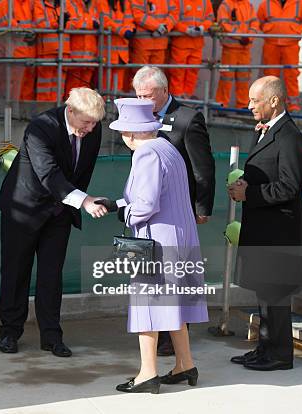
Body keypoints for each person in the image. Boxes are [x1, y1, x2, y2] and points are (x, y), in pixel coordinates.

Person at [0, 87, 108, 357]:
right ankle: (10, 332)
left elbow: (83, 171)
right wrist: (84, 201)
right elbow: (48, 174)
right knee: (15, 273)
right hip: (23, 210)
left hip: (59, 212)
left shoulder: (93, 129)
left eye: (95, 123)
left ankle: (51, 336)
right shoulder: (41, 127)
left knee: (51, 276)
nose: (90, 129)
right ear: (70, 111)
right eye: (86, 122)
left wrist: (71, 204)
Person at [108, 98, 208, 394]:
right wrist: (121, 204)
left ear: (129, 133)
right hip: (180, 236)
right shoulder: (167, 147)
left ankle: (147, 373)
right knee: (173, 305)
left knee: (149, 306)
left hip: (157, 241)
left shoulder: (146, 153)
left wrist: (123, 212)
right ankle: (185, 364)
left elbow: (146, 204)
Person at [132, 66, 215, 356]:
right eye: (138, 95)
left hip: (179, 212)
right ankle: (159, 331)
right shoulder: (140, 115)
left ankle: (175, 338)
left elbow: (202, 168)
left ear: (165, 91)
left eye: (148, 95)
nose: (143, 100)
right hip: (153, 211)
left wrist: (201, 208)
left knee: (178, 275)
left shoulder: (188, 119)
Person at [228, 76, 302, 371]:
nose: (249, 106)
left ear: (274, 101)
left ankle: (280, 354)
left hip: (278, 234)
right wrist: (243, 186)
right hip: (262, 229)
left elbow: (289, 186)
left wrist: (250, 192)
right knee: (264, 294)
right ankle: (264, 348)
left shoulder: (290, 137)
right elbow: (267, 174)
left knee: (276, 298)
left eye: (254, 100)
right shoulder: (264, 131)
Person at [257, 0, 302, 112]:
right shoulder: (266, 3)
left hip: (291, 44)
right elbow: (259, 21)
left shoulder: (300, 3)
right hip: (271, 43)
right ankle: (270, 104)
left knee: (291, 74)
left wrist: (294, 30)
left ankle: (293, 104)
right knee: (270, 75)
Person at [214, 0, 259, 108]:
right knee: (225, 78)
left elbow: (255, 23)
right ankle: (221, 105)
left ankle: (242, 105)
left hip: (244, 50)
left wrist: (249, 37)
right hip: (229, 50)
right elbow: (224, 23)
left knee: (244, 79)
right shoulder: (225, 5)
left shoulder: (248, 5)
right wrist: (241, 36)